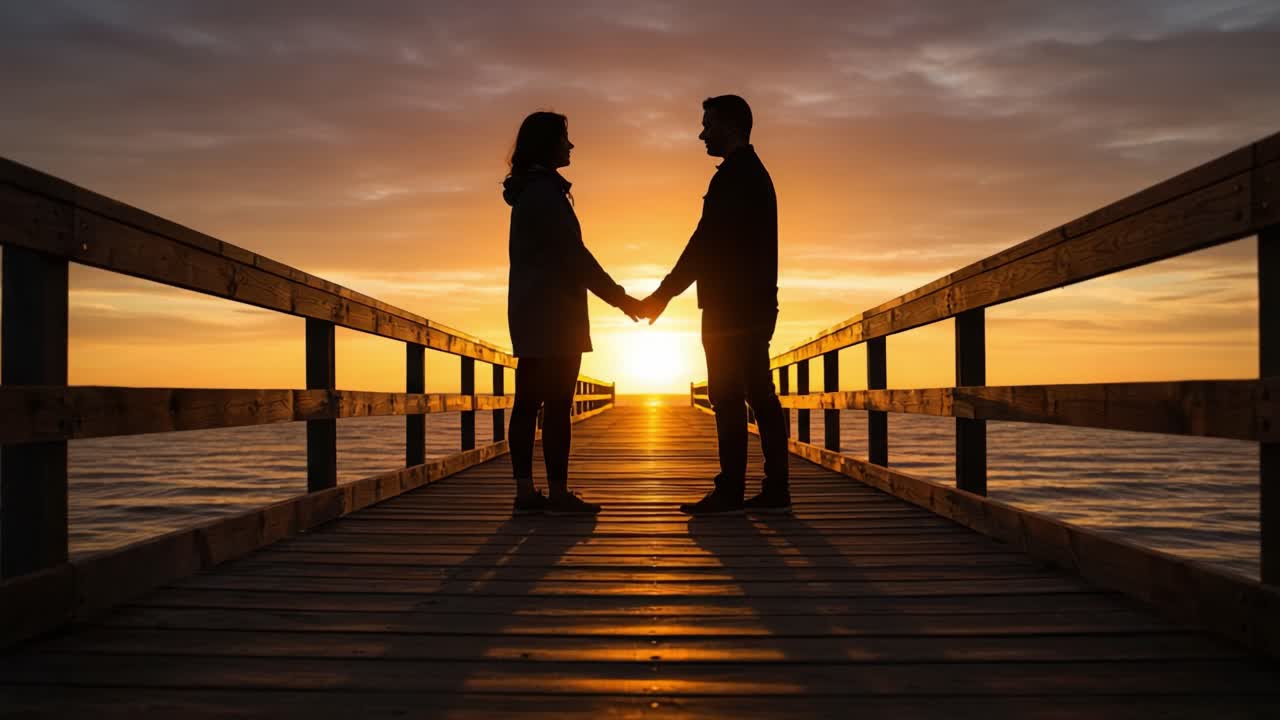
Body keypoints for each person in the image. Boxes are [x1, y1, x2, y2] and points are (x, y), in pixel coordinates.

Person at [640, 95, 791, 516]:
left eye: (708, 124)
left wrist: (663, 295)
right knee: (759, 393)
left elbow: (703, 245)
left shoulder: (735, 178)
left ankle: (731, 492)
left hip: (732, 307)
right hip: (754, 303)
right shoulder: (752, 173)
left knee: (727, 394)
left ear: (732, 125)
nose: (701, 133)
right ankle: (776, 488)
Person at [503, 111, 643, 516]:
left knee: (527, 402)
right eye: (565, 137)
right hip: (556, 314)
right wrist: (622, 299)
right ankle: (558, 494)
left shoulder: (530, 190)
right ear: (547, 144)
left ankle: (526, 492)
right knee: (557, 405)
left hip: (530, 309)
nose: (571, 145)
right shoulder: (545, 193)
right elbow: (575, 258)